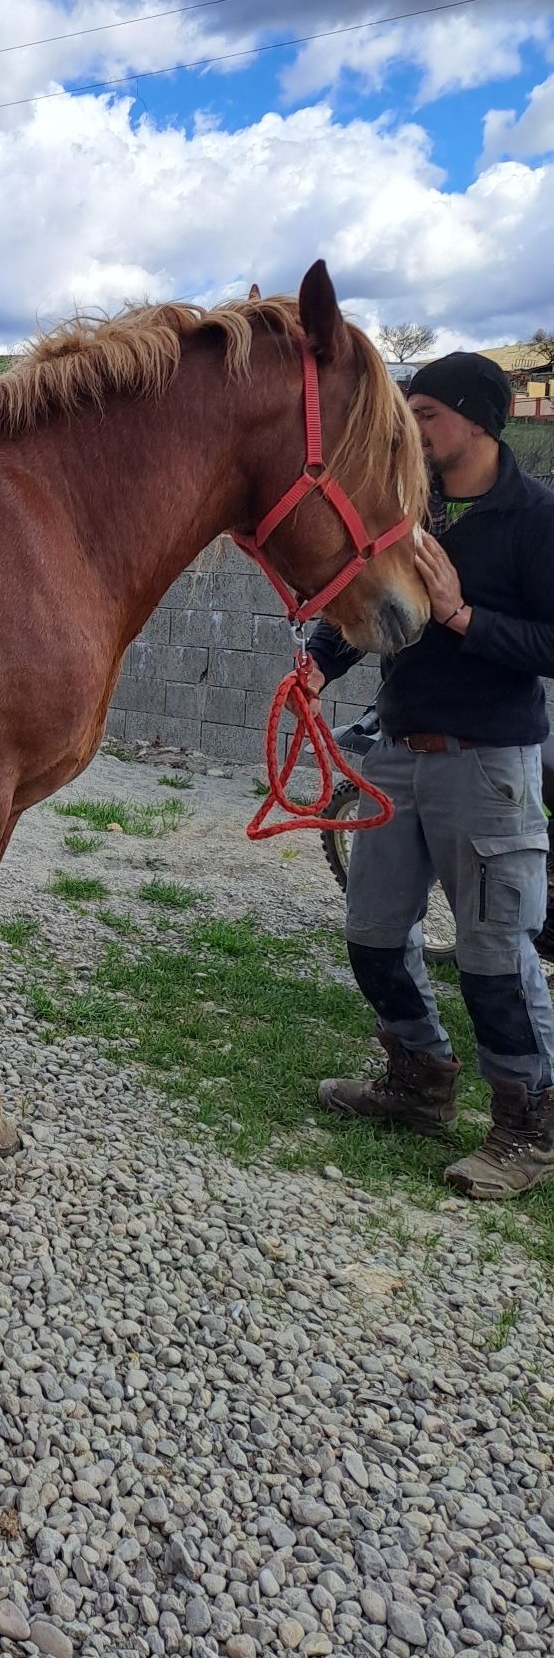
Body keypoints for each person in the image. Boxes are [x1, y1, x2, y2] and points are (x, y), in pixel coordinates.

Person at [305, 350, 554, 1198]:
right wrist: (316, 664)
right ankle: (420, 1082)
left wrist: (460, 616)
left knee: (494, 956)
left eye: (426, 414)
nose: (411, 429)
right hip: (399, 756)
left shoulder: (535, 520)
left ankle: (527, 1127)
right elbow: (369, 603)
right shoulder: (414, 511)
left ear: (477, 422)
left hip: (487, 765)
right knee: (372, 932)